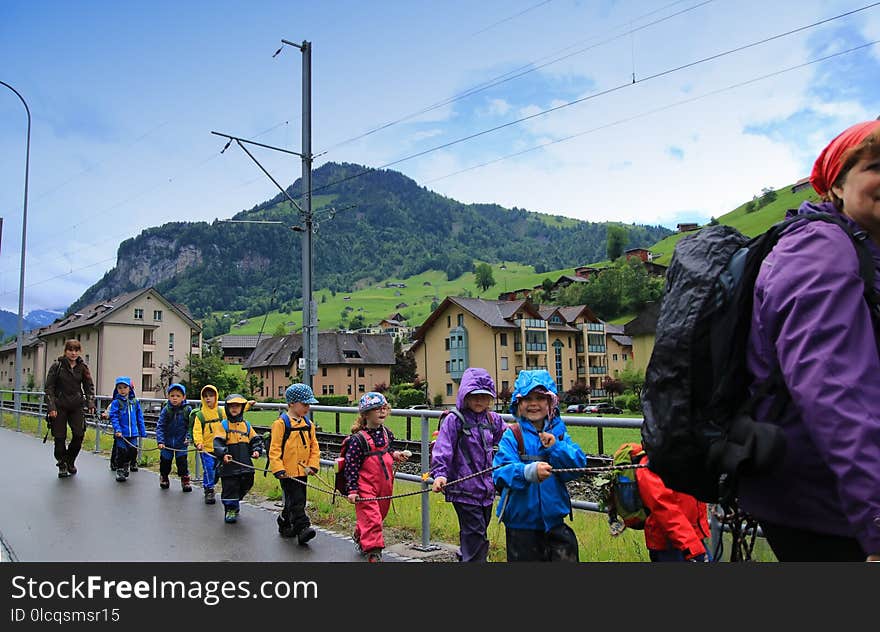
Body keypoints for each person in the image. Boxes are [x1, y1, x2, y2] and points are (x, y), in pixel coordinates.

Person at [738, 119, 880, 562]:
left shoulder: (860, 250)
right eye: (877, 166)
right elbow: (836, 392)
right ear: (836, 184)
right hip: (829, 509)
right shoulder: (821, 251)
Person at [492, 369, 587, 562]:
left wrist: (556, 448)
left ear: (550, 403)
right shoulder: (513, 435)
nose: (534, 404)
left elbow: (578, 466)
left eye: (540, 398)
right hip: (521, 525)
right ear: (518, 405)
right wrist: (528, 472)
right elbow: (499, 472)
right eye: (527, 398)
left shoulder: (559, 433)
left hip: (554, 522)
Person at [430, 367, 506, 562]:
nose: (479, 401)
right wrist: (440, 474)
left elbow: (509, 441)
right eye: (474, 396)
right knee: (476, 533)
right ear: (464, 395)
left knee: (478, 530)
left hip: (486, 490)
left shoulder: (493, 419)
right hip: (463, 489)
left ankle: (466, 555)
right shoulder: (454, 420)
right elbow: (443, 448)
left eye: (484, 396)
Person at [343, 392, 409, 562]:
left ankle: (360, 532)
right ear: (365, 414)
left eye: (384, 408)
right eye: (376, 409)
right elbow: (351, 466)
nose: (381, 412)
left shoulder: (387, 433)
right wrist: (352, 490)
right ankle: (373, 552)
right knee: (373, 518)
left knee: (379, 515)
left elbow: (386, 452)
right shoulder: (358, 440)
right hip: (365, 485)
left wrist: (396, 455)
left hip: (385, 483)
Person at [625, 443, 711, 562]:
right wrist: (692, 547)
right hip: (670, 546)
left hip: (691, 538)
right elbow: (665, 510)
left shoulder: (684, 458)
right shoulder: (651, 465)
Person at [268, 383, 320, 544]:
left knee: (294, 500)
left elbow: (314, 447)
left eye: (309, 404)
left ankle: (284, 521)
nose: (308, 407)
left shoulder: (308, 425)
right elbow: (275, 448)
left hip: (303, 471)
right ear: (291, 403)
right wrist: (278, 468)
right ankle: (303, 528)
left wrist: (313, 465)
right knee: (297, 500)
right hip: (287, 471)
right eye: (304, 404)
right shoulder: (281, 424)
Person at [44, 339, 96, 478]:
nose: (73, 353)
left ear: (79, 352)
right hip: (59, 406)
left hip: (76, 406)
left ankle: (70, 460)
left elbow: (89, 386)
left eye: (76, 350)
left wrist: (90, 402)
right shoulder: (57, 366)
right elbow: (49, 388)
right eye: (70, 350)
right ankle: (62, 463)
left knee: (79, 435)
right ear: (65, 351)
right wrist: (51, 407)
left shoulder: (82, 367)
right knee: (59, 438)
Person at [213, 393, 264, 524]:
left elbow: (255, 439)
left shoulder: (246, 425)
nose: (234, 408)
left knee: (248, 482)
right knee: (230, 487)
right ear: (227, 408)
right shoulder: (224, 425)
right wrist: (223, 454)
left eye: (237, 406)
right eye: (231, 406)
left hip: (245, 463)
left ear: (242, 408)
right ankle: (230, 508)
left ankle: (235, 501)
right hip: (229, 464)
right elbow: (218, 442)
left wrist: (257, 450)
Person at [190, 384, 225, 505]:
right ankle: (209, 489)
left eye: (211, 396)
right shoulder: (200, 415)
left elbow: (234, 412)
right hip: (206, 449)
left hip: (220, 448)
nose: (208, 398)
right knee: (209, 469)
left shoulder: (221, 412)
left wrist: (247, 405)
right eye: (205, 396)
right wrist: (199, 442)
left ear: (216, 397)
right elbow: (197, 430)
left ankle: (212, 481)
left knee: (218, 470)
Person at [106, 376, 146, 483]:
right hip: (121, 434)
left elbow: (139, 417)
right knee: (121, 451)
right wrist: (117, 430)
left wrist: (142, 430)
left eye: (125, 387)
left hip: (133, 433)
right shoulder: (116, 403)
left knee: (133, 451)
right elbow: (114, 417)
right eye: (120, 388)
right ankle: (120, 469)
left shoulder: (135, 402)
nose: (122, 390)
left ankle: (126, 464)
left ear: (129, 388)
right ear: (116, 389)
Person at [156, 383, 193, 492]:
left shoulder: (187, 410)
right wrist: (160, 441)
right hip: (167, 443)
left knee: (182, 463)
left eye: (178, 396)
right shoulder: (166, 410)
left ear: (183, 397)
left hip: (181, 442)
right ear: (168, 397)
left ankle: (185, 479)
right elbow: (160, 426)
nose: (175, 398)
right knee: (165, 462)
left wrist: (188, 437)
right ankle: (164, 477)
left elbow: (191, 426)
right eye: (172, 396)